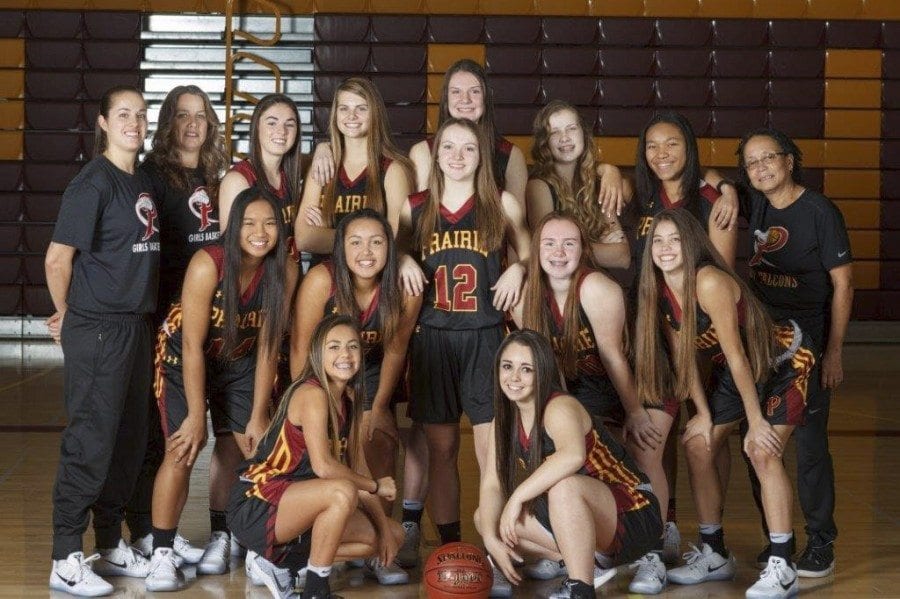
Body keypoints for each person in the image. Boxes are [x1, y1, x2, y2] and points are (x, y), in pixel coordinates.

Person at [636, 209, 816, 598]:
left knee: (762, 450)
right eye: (659, 241)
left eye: (675, 240)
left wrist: (755, 421)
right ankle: (715, 553)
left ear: (691, 243)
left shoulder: (709, 281)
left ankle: (783, 565)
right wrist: (702, 414)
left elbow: (737, 356)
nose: (666, 248)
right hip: (741, 373)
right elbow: (684, 358)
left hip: (782, 361)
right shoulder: (660, 290)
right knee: (696, 444)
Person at [512, 212, 675, 593]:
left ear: (584, 249)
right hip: (590, 385)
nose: (558, 252)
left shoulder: (597, 288)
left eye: (569, 243)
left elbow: (613, 356)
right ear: (536, 250)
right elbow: (551, 370)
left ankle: (652, 552)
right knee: (580, 458)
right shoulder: (526, 297)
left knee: (644, 452)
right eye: (549, 243)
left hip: (641, 378)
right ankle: (586, 550)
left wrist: (634, 412)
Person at [145, 188, 298, 591]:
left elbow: (269, 345)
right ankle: (162, 553)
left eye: (270, 223)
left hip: (242, 357)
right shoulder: (207, 263)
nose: (260, 232)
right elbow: (192, 346)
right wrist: (197, 415)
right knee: (183, 447)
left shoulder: (285, 269)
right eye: (250, 223)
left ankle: (221, 534)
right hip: (184, 355)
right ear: (233, 228)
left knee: (241, 443)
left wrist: (259, 413)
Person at [45, 85, 159, 596]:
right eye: (124, 114)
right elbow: (57, 259)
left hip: (135, 327)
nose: (134, 122)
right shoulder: (92, 183)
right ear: (104, 123)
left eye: (141, 114)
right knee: (90, 443)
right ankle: (64, 556)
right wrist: (70, 316)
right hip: (98, 327)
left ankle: (110, 544)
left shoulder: (141, 179)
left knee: (127, 443)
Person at [398, 117, 530, 549]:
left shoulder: (501, 203)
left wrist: (520, 268)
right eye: (449, 147)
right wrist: (402, 258)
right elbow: (394, 250)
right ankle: (450, 547)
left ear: (481, 156)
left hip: (486, 336)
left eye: (468, 148)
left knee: (491, 452)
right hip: (432, 338)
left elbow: (529, 250)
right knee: (442, 449)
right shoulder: (415, 207)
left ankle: (496, 544)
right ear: (435, 156)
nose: (458, 156)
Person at [736, 128, 853, 577]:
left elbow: (844, 285)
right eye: (751, 162)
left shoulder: (819, 211)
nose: (761, 167)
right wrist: (725, 189)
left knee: (809, 447)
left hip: (810, 345)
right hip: (764, 341)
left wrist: (834, 352)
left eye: (769, 158)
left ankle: (822, 542)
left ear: (789, 161)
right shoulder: (757, 201)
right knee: (757, 441)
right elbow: (709, 181)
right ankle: (778, 537)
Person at [228, 314, 404, 599]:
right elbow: (324, 467)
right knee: (342, 491)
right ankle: (315, 591)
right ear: (317, 354)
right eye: (334, 347)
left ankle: (276, 562)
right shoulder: (312, 393)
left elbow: (360, 471)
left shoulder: (350, 401)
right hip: (258, 502)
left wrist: (383, 530)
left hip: (303, 501)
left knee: (395, 535)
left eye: (352, 346)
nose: (345, 354)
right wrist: (376, 487)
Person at [476, 329, 661, 599]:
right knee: (485, 518)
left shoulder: (559, 407)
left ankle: (581, 590)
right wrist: (491, 540)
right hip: (585, 519)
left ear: (543, 373)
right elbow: (492, 484)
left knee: (564, 488)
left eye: (526, 369)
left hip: (634, 511)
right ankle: (589, 565)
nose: (514, 377)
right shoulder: (502, 422)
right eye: (507, 366)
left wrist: (517, 498)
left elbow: (572, 456)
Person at [291, 208, 421, 585]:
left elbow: (396, 349)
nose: (366, 252)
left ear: (390, 248)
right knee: (325, 452)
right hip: (321, 374)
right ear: (340, 248)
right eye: (356, 242)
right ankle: (312, 543)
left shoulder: (403, 287)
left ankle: (378, 551)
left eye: (376, 242)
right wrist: (313, 402)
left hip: (371, 371)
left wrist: (378, 407)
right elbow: (301, 348)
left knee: (376, 437)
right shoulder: (321, 281)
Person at [630, 111, 740, 556]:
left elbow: (721, 275)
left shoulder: (711, 198)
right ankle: (670, 522)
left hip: (700, 334)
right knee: (665, 429)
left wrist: (725, 185)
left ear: (689, 148)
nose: (662, 153)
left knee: (707, 431)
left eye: (672, 143)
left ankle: (715, 532)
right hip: (653, 331)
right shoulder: (641, 198)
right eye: (652, 145)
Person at [128, 84, 227, 568]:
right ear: (168, 122)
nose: (192, 124)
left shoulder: (213, 176)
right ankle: (147, 535)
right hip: (166, 324)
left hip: (208, 321)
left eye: (200, 115)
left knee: (188, 436)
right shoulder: (150, 177)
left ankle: (160, 532)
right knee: (162, 434)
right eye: (183, 115)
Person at [295, 77, 414, 267]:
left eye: (361, 108)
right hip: (325, 274)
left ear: (374, 113)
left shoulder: (393, 170)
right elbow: (304, 239)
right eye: (344, 108)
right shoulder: (322, 165)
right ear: (335, 114)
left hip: (371, 275)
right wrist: (371, 239)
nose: (352, 116)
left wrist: (326, 235)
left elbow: (394, 239)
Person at [525, 101, 630, 269]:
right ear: (544, 142)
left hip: (592, 277)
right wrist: (598, 249)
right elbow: (549, 253)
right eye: (554, 132)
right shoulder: (539, 187)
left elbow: (623, 256)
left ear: (584, 133)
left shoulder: (596, 182)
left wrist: (610, 170)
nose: (565, 137)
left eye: (572, 128)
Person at [218, 93, 302, 240]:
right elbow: (230, 247)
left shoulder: (291, 175)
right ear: (256, 127)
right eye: (272, 123)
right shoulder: (238, 180)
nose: (282, 131)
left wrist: (323, 148)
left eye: (289, 124)